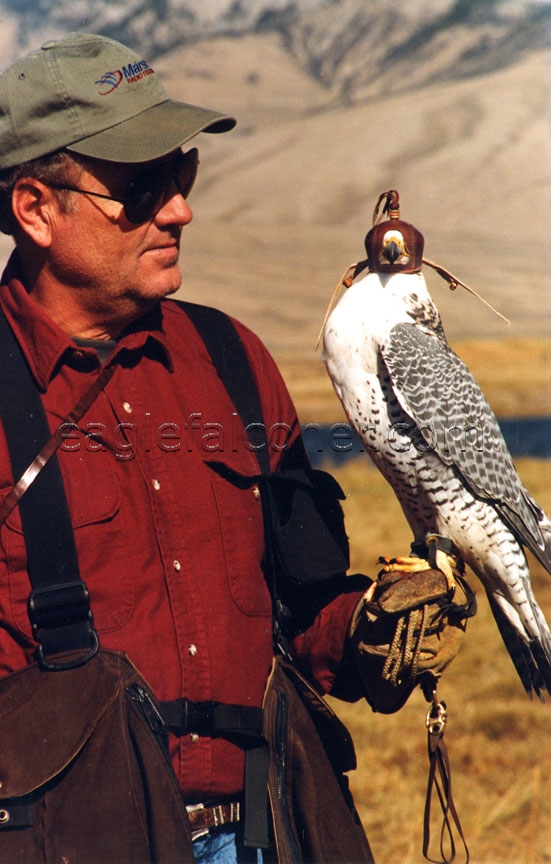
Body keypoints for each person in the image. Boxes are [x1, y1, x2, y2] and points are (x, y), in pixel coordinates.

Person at [0, 32, 470, 864]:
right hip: (70, 841)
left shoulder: (233, 361)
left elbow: (306, 605)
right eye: (140, 189)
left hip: (268, 826)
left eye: (180, 178)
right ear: (35, 208)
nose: (178, 210)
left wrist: (366, 632)